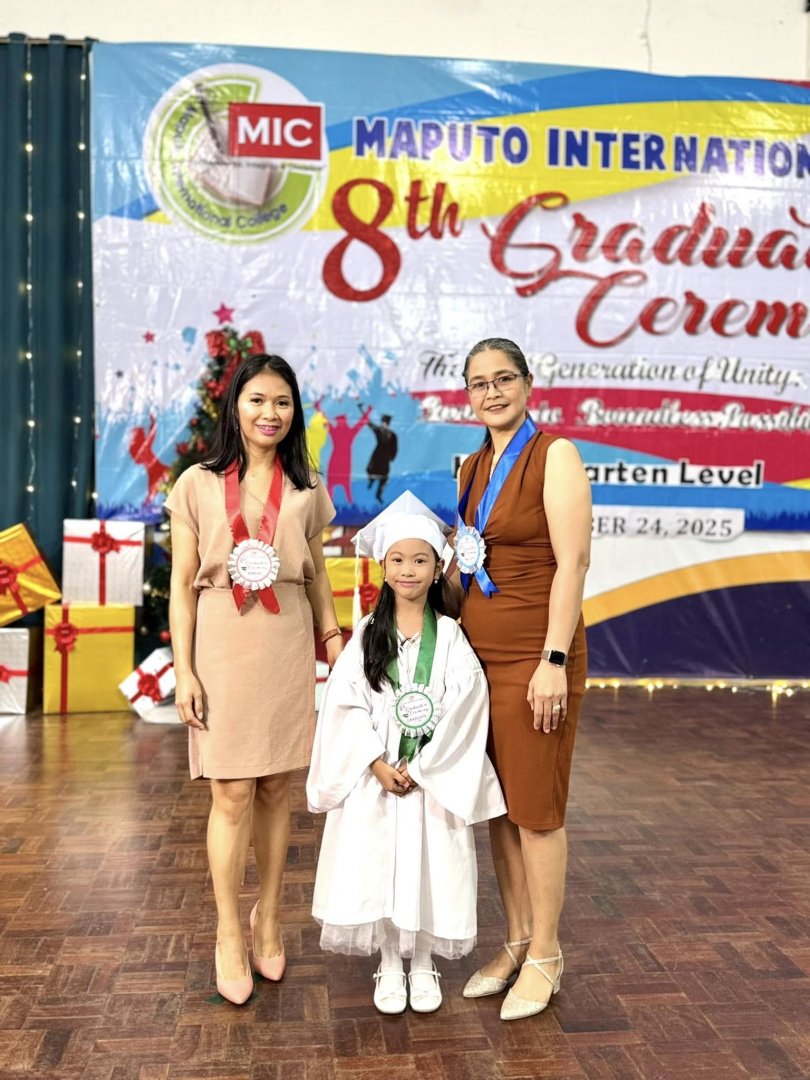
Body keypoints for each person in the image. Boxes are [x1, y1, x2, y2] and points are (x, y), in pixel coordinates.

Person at [165, 353, 345, 1005]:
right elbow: (181, 589)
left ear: (295, 411)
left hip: (285, 638)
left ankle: (268, 917)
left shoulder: (307, 486)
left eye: (283, 402)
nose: (270, 413)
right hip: (222, 640)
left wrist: (334, 641)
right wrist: (184, 669)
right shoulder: (196, 484)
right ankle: (227, 933)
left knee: (274, 787)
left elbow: (317, 573)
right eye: (258, 400)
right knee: (232, 791)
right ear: (235, 406)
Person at [306, 492, 506, 1016]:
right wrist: (375, 761)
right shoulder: (367, 637)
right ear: (383, 566)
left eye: (420, 560)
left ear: (438, 568)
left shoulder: (452, 637)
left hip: (429, 777)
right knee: (379, 864)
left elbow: (467, 705)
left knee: (428, 866)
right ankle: (390, 961)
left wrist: (423, 765)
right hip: (377, 776)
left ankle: (423, 962)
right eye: (398, 559)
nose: (408, 570)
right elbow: (344, 703)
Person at [454, 337, 591, 1022]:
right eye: (479, 383)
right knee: (499, 810)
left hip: (536, 663)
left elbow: (574, 563)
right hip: (476, 663)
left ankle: (547, 953)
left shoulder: (554, 454)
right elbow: (468, 561)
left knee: (536, 812)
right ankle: (514, 940)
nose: (493, 392)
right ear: (468, 395)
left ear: (528, 384)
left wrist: (553, 661)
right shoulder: (471, 465)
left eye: (503, 378)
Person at [365, 411, 398, 502]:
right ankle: (371, 482)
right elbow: (370, 424)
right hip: (377, 455)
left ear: (388, 423)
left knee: (384, 476)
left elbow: (395, 447)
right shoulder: (378, 430)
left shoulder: (393, 435)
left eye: (386, 422)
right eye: (383, 422)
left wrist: (392, 457)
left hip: (385, 457)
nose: (384, 424)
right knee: (371, 470)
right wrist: (365, 413)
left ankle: (378, 494)